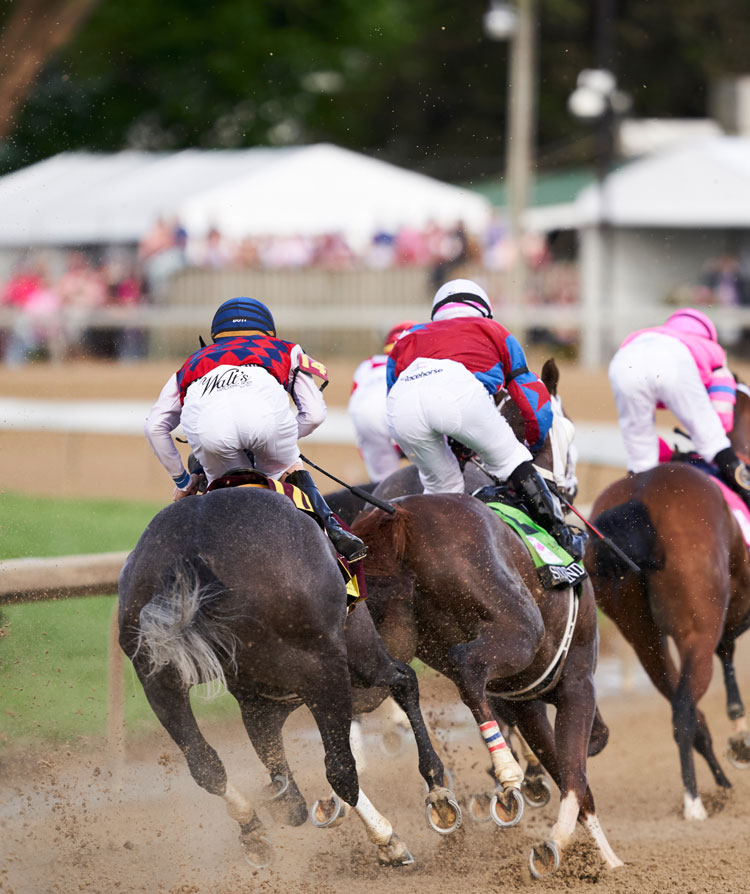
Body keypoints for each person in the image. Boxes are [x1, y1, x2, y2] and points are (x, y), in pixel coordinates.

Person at [144, 297, 367, 562]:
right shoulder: (285, 349)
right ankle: (334, 530)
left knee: (222, 494)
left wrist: (182, 481)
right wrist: (282, 434)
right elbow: (315, 415)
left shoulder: (192, 362)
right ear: (268, 331)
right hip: (268, 426)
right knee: (291, 468)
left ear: (216, 335)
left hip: (210, 438)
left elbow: (155, 427)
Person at [385, 278, 586, 560]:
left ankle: (432, 557)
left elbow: (402, 401)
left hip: (402, 405)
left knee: (444, 489)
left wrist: (448, 441)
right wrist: (531, 442)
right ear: (484, 310)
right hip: (455, 391)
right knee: (511, 460)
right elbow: (533, 399)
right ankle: (561, 538)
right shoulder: (494, 330)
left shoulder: (407, 337)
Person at [609, 307, 750, 508]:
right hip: (673, 361)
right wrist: (707, 440)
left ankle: (633, 513)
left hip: (622, 361)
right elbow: (722, 418)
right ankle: (747, 494)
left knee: (641, 456)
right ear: (709, 335)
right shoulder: (713, 350)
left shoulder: (649, 334)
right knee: (713, 440)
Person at [348, 320, 418, 482]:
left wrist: (367, 447)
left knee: (384, 487)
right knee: (437, 478)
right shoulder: (421, 363)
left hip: (368, 419)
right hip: (404, 415)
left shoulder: (369, 364)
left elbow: (357, 407)